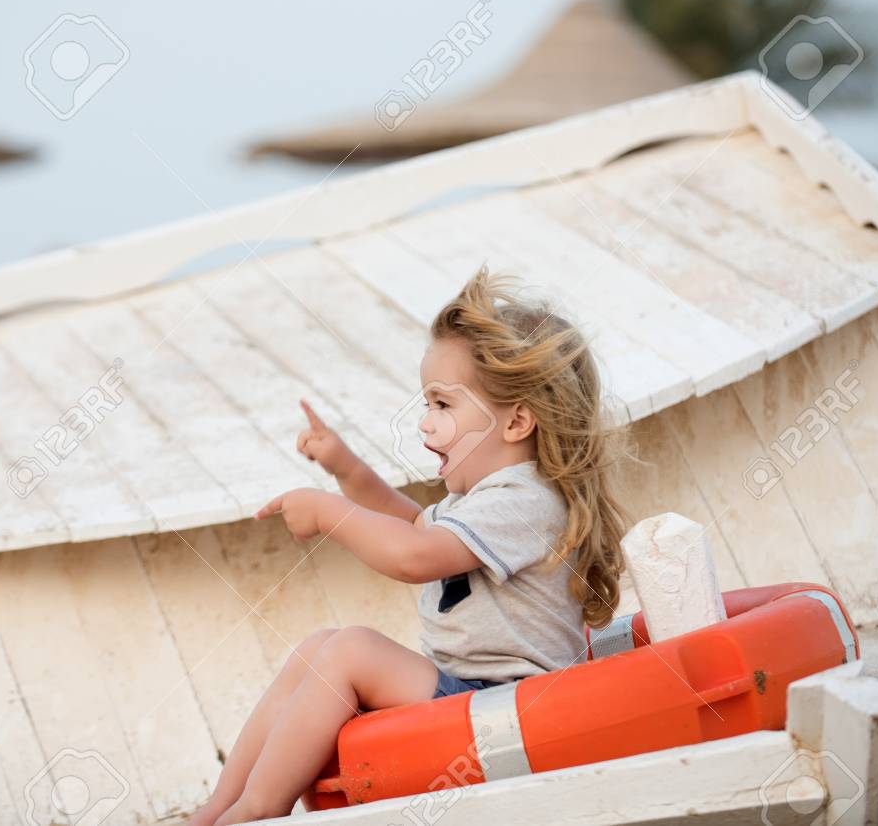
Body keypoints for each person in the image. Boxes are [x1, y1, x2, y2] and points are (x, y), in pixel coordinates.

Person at [189, 266, 630, 825]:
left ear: (517, 421)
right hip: (472, 691)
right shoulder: (488, 498)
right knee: (316, 648)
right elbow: (410, 526)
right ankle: (218, 806)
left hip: (512, 704)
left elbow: (414, 557)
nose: (425, 424)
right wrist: (345, 468)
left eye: (443, 405)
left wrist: (328, 512)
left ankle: (258, 809)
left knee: (348, 651)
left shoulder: (526, 500)